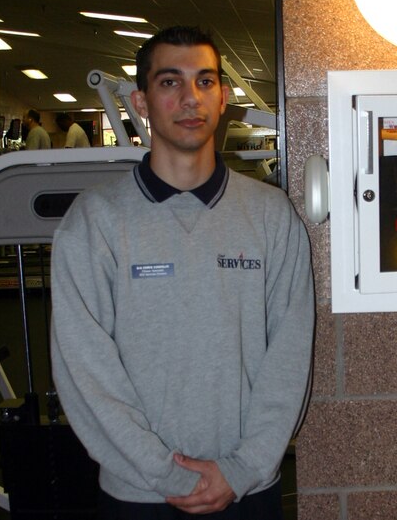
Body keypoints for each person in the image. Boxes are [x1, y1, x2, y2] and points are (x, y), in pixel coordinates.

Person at [50, 25, 315, 519]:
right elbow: (85, 371)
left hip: (248, 490)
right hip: (140, 495)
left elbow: (290, 356)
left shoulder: (270, 215)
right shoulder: (94, 222)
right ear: (143, 101)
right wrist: (166, 474)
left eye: (205, 81)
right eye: (170, 82)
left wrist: (242, 469)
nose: (190, 97)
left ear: (222, 98)